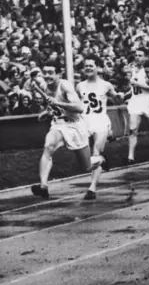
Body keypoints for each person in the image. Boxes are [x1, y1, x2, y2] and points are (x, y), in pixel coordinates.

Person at [29, 62, 104, 199]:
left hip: (75, 127)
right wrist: (47, 111)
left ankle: (99, 160)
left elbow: (79, 108)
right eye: (44, 73)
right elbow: (52, 105)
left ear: (59, 74)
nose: (47, 76)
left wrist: (57, 103)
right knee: (48, 147)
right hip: (59, 125)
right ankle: (43, 186)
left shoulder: (65, 86)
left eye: (50, 73)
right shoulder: (45, 87)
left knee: (86, 167)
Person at [76, 56, 123, 200]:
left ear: (98, 68)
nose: (88, 68)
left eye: (91, 65)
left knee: (95, 152)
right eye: (86, 66)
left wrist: (119, 96)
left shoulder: (106, 85)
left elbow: (115, 97)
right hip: (85, 121)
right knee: (89, 155)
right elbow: (76, 103)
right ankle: (103, 159)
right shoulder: (80, 86)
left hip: (100, 120)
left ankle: (92, 188)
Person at [126, 49, 149, 165]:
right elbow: (133, 88)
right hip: (135, 101)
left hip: (147, 100)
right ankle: (130, 156)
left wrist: (136, 83)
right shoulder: (132, 69)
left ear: (146, 57)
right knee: (132, 129)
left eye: (140, 55)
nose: (137, 57)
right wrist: (127, 93)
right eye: (136, 55)